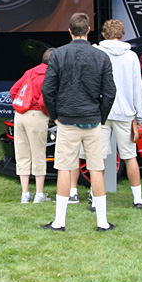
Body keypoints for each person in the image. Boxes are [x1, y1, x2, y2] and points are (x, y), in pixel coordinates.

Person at [40, 12, 117, 232]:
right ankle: (102, 222)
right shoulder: (101, 56)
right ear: (89, 30)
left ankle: (59, 222)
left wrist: (55, 114)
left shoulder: (59, 54)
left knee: (65, 169)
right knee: (96, 169)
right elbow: (110, 92)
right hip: (92, 121)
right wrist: (100, 117)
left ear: (70, 31)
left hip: (67, 121)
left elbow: (48, 89)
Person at [93, 19, 142, 209]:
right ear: (122, 35)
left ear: (104, 35)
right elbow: (136, 86)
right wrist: (139, 115)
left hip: (102, 112)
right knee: (130, 157)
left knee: (98, 158)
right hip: (126, 112)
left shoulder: (97, 52)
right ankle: (137, 199)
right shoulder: (131, 56)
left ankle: (96, 198)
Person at [10, 48, 54, 203]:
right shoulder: (51, 74)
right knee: (38, 154)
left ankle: (25, 194)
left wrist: (22, 107)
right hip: (37, 116)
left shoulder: (30, 72)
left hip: (20, 115)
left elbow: (13, 90)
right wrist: (48, 113)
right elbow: (44, 100)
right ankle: (39, 194)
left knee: (22, 154)